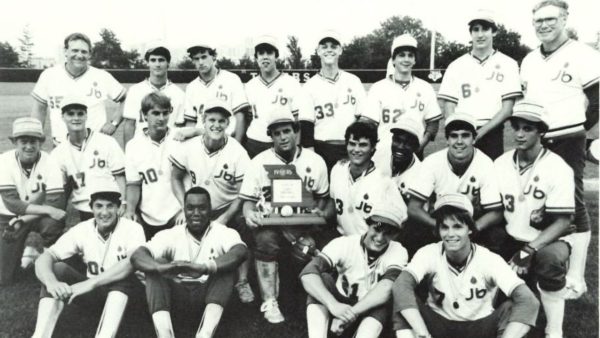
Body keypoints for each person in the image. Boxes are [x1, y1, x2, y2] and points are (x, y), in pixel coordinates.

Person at [520, 0, 599, 300]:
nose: (544, 25)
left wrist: (580, 129)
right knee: (536, 200)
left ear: (565, 18)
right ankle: (538, 262)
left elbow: (597, 102)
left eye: (550, 19)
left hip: (568, 138)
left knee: (574, 204)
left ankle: (576, 276)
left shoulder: (584, 54)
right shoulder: (529, 60)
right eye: (538, 21)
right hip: (538, 139)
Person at [393, 194, 539, 338]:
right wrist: (423, 333)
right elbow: (401, 285)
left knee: (511, 307)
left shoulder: (488, 259)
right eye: (444, 227)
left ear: (470, 229)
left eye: (457, 227)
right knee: (402, 299)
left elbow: (528, 300)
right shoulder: (429, 252)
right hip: (438, 325)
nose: (450, 234)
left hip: (480, 328)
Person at [494, 100, 578, 337]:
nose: (519, 134)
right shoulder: (501, 163)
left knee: (550, 261)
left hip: (548, 240)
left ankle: (554, 329)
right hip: (512, 235)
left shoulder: (557, 167)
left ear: (541, 131)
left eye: (527, 128)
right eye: (516, 127)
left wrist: (529, 250)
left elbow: (563, 221)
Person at [239, 109, 329, 323]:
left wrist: (320, 213)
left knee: (307, 249)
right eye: (277, 133)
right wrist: (249, 213)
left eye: (287, 131)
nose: (283, 137)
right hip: (271, 225)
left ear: (296, 131)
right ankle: (269, 300)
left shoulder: (315, 161)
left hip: (304, 224)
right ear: (270, 136)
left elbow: (324, 199)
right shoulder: (259, 162)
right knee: (265, 240)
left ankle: (306, 294)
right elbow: (248, 202)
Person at [131, 186, 248, 338]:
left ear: (210, 209)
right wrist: (160, 268)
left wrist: (205, 268)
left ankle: (205, 334)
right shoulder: (171, 234)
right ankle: (165, 334)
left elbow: (240, 251)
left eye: (202, 208)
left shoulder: (222, 231)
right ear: (184, 209)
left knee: (225, 269)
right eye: (191, 208)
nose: (196, 214)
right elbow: (137, 256)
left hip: (208, 297)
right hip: (177, 296)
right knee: (155, 266)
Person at [169, 101, 254, 303]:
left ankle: (242, 281)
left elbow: (245, 192)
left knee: (243, 227)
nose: (216, 125)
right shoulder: (189, 147)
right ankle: (181, 274)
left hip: (228, 206)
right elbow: (175, 178)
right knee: (178, 226)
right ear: (204, 122)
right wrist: (184, 207)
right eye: (212, 120)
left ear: (228, 124)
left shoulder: (237, 151)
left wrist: (225, 217)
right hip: (197, 206)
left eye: (221, 121)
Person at [31, 188, 145, 338]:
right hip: (97, 295)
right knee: (57, 269)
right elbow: (46, 257)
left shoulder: (133, 228)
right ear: (91, 208)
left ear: (119, 208)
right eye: (99, 206)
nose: (104, 212)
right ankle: (40, 335)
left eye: (110, 206)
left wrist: (91, 283)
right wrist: (51, 282)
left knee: (122, 276)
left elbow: (132, 263)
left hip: (132, 299)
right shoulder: (82, 229)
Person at [300, 205, 408, 338]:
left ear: (395, 234)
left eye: (388, 233)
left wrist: (350, 314)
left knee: (386, 300)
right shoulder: (345, 243)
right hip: (341, 304)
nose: (380, 238)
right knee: (322, 279)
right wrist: (333, 305)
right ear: (368, 225)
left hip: (369, 310)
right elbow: (308, 274)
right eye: (377, 229)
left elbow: (387, 289)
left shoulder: (398, 251)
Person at [405, 113, 503, 255]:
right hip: (438, 221)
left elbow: (496, 212)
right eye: (454, 136)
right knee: (411, 231)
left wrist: (473, 228)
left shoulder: (485, 163)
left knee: (497, 236)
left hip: (471, 222)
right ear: (447, 140)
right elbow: (413, 208)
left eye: (465, 135)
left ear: (474, 138)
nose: (459, 141)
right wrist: (439, 227)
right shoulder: (432, 162)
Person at [438, 9, 522, 160]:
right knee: (459, 180)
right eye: (475, 29)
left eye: (485, 29)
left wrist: (479, 133)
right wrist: (458, 133)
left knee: (491, 180)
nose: (480, 34)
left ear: (494, 32)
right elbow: (449, 106)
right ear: (470, 33)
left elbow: (507, 109)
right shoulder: (456, 65)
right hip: (461, 133)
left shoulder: (508, 64)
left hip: (492, 134)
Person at [363, 33, 442, 175]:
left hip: (413, 157)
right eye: (401, 55)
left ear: (415, 60)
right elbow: (369, 125)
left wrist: (418, 146)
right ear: (393, 60)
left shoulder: (425, 88)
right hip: (381, 156)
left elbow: (433, 124)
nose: (406, 59)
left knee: (411, 194)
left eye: (410, 55)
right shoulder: (378, 88)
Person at [0, 118, 66, 285]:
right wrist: (48, 210)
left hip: (28, 218)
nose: (29, 146)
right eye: (23, 141)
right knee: (4, 278)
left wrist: (22, 220)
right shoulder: (4, 161)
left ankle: (44, 254)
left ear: (41, 142)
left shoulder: (50, 161)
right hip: (5, 218)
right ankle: (18, 252)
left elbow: (56, 205)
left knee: (53, 222)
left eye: (33, 141)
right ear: (15, 142)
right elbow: (12, 203)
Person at [31, 32, 126, 145]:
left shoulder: (102, 76)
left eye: (84, 51)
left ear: (90, 54)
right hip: (61, 146)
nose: (79, 55)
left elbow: (127, 99)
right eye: (75, 50)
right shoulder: (49, 75)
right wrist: (34, 138)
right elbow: (39, 109)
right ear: (65, 51)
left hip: (96, 146)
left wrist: (113, 123)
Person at [51, 95, 127, 221]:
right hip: (86, 208)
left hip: (112, 204)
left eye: (80, 114)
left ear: (86, 116)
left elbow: (120, 177)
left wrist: (123, 203)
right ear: (62, 117)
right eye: (70, 114)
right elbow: (61, 189)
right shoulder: (59, 152)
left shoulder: (107, 142)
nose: (76, 118)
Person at [301, 30, 367, 171]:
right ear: (318, 51)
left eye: (333, 46)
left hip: (350, 149)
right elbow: (306, 128)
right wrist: (312, 158)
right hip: (321, 149)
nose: (329, 50)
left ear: (340, 50)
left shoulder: (354, 81)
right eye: (324, 46)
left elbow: (363, 120)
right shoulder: (309, 86)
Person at [328, 121, 406, 236]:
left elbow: (402, 218)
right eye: (352, 144)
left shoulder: (383, 181)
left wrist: (381, 238)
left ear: (373, 147)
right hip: (342, 240)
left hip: (368, 245)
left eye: (363, 145)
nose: (356, 149)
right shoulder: (337, 169)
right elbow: (333, 204)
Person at [124, 93, 182, 239]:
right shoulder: (133, 145)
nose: (161, 118)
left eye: (165, 113)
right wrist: (130, 209)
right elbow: (133, 184)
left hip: (177, 214)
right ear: (144, 115)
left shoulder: (181, 139)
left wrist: (185, 209)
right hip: (147, 215)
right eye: (155, 113)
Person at [244, 35, 312, 158]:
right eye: (261, 53)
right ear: (256, 58)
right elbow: (246, 119)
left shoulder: (291, 83)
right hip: (254, 144)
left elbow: (297, 122)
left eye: (269, 52)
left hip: (283, 144)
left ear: (276, 56)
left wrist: (295, 150)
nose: (265, 57)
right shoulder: (249, 86)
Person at [182, 43, 250, 144]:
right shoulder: (191, 87)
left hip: (227, 140)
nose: (200, 62)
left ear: (213, 57)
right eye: (196, 59)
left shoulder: (231, 79)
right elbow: (190, 123)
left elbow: (240, 117)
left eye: (204, 57)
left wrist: (236, 145)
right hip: (200, 143)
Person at [122, 46, 185, 145]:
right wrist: (128, 152)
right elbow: (129, 125)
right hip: (141, 147)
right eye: (153, 60)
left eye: (161, 60)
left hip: (169, 148)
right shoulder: (135, 90)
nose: (157, 64)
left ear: (168, 63)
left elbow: (180, 127)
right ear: (148, 63)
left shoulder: (179, 94)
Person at [389, 117, 424, 201]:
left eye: (407, 143)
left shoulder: (420, 177)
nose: (400, 147)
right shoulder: (380, 158)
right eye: (397, 140)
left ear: (416, 147)